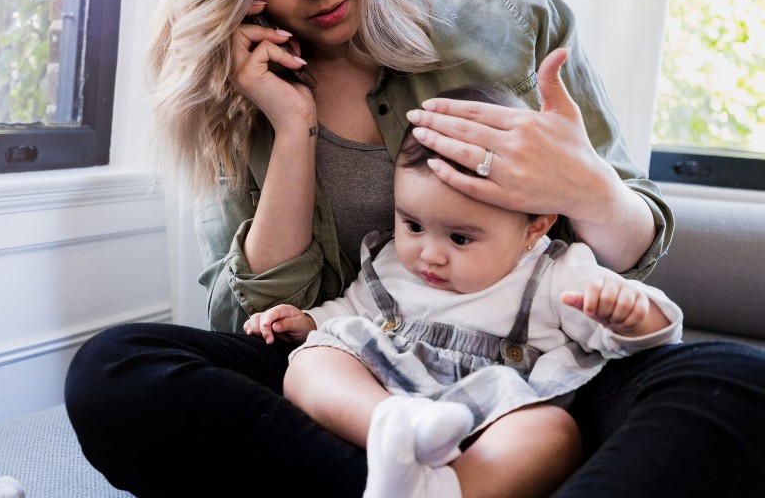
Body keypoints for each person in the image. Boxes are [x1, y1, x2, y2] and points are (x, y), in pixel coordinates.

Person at [65, 0, 765, 498]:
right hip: (356, 379)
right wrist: (291, 134)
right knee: (114, 373)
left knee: (761, 393)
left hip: (532, 377)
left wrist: (585, 188)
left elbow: (633, 253)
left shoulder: (498, 14)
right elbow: (257, 327)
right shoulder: (238, 97)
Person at [242, 83, 683, 498]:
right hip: (385, 395)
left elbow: (655, 335)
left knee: (553, 433)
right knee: (310, 362)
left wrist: (630, 313)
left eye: (460, 238)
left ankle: (448, 490)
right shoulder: (394, 259)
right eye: (413, 225)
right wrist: (308, 323)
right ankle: (392, 428)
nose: (429, 254)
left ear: (535, 226)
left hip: (491, 418)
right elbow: (352, 312)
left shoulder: (554, 272)